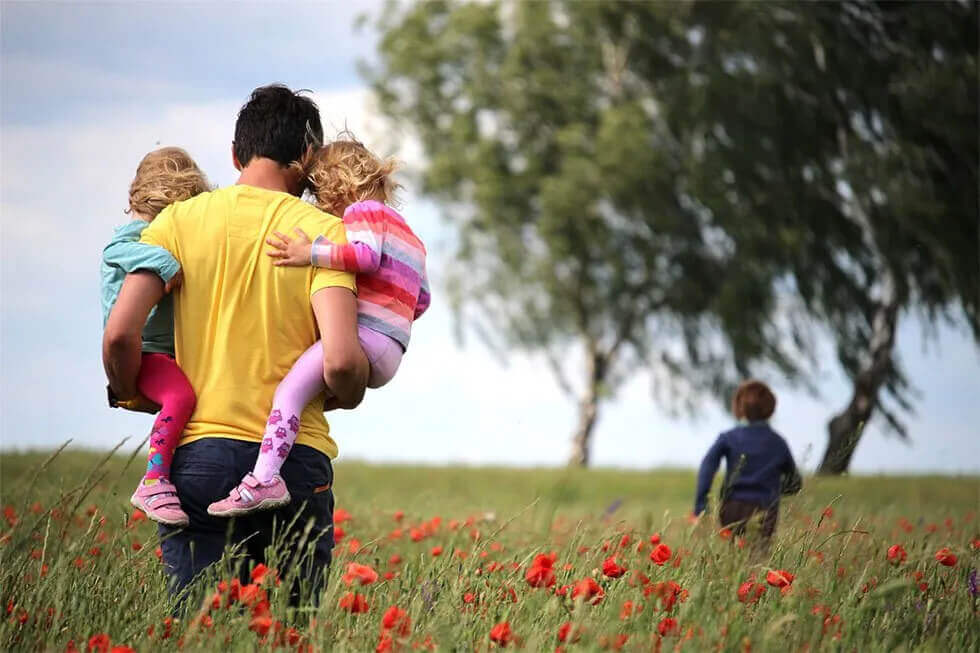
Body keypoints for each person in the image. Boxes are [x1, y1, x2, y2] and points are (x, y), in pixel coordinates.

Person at [102, 84, 369, 602]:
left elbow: (119, 333)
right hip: (293, 463)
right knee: (290, 632)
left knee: (201, 628)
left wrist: (130, 388)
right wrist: (352, 387)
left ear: (234, 154)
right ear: (308, 157)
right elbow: (339, 360)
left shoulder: (176, 222)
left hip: (197, 457)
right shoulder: (325, 235)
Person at [208, 136, 430, 517]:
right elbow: (421, 300)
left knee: (289, 391)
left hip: (365, 338)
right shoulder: (411, 235)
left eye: (319, 193)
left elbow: (364, 256)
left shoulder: (363, 213)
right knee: (308, 392)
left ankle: (264, 479)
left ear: (337, 185)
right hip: (392, 349)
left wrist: (308, 252)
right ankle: (277, 460)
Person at [101, 147, 210, 526]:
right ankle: (154, 479)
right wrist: (167, 264)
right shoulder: (135, 235)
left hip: (163, 352)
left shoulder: (152, 233)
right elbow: (117, 251)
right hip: (146, 352)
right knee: (181, 396)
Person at [692, 380, 802, 543]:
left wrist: (701, 505)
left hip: (732, 507)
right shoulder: (778, 442)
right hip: (766, 509)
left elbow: (707, 468)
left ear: (739, 407)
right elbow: (795, 483)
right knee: (759, 558)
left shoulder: (728, 438)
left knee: (734, 555)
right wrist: (772, 490)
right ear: (770, 409)